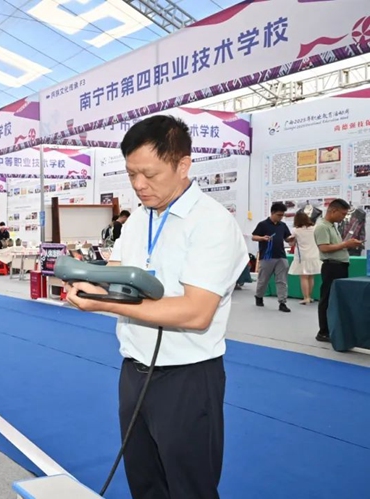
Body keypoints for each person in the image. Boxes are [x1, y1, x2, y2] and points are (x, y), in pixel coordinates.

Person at [65, 115, 248, 499]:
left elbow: (196, 312)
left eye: (149, 174)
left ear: (183, 165)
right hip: (133, 371)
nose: (138, 185)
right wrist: (91, 284)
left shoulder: (211, 223)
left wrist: (105, 305)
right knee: (144, 483)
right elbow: (118, 273)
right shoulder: (139, 219)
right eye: (131, 174)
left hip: (187, 377)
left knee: (190, 488)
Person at [314, 199, 363, 342]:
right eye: (342, 214)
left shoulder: (332, 226)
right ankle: (323, 332)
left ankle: (332, 328)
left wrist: (348, 244)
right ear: (333, 211)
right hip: (332, 267)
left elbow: (335, 246)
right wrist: (345, 244)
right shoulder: (322, 227)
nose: (343, 217)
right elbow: (324, 248)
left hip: (339, 266)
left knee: (335, 299)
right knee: (327, 299)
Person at [252, 202, 294, 313]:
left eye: (282, 215)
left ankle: (282, 302)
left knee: (282, 280)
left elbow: (287, 238)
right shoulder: (263, 224)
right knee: (263, 279)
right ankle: (259, 296)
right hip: (267, 256)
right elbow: (254, 237)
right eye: (279, 215)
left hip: (281, 256)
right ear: (272, 213)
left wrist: (292, 239)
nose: (281, 217)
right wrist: (262, 238)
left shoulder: (283, 225)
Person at [288, 211, 322, 305]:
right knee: (311, 277)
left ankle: (306, 298)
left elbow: (291, 243)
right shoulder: (315, 228)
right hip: (314, 255)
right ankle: (309, 297)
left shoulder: (295, 230)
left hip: (302, 256)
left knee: (304, 277)